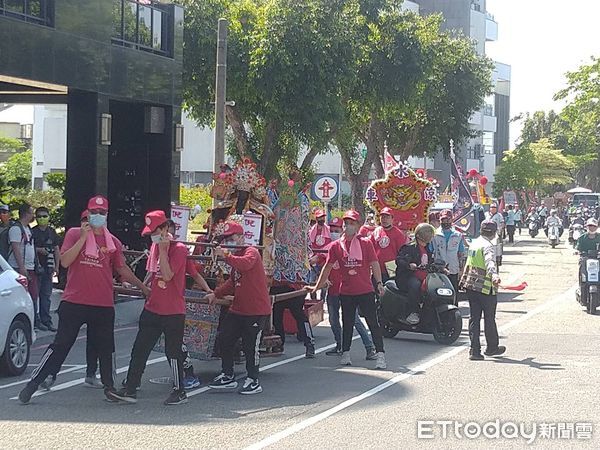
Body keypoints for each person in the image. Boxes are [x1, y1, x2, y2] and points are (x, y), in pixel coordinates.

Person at [19, 195, 149, 404]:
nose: (97, 216)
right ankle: (33, 384)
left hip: (103, 303)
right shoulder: (73, 233)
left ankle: (110, 386)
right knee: (61, 344)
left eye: (102, 213)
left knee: (106, 347)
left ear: (107, 215)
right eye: (94, 212)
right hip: (75, 301)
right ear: (88, 213)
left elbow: (121, 268)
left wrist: (143, 287)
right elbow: (66, 261)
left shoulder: (112, 241)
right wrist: (83, 238)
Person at [107, 210, 190, 405]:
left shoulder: (178, 249)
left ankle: (180, 390)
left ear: (164, 229)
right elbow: (153, 274)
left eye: (155, 231)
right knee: (140, 349)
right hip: (153, 306)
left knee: (173, 352)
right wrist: (143, 286)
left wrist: (163, 250)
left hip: (173, 310)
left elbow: (168, 276)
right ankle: (131, 386)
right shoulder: (154, 249)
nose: (152, 236)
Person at [308, 210, 386, 369]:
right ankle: (346, 353)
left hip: (365, 290)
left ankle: (380, 354)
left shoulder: (366, 243)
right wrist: (316, 286)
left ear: (358, 225)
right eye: (346, 223)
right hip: (347, 291)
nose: (348, 226)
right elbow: (327, 268)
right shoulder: (336, 246)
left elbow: (374, 263)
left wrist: (379, 283)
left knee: (373, 323)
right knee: (347, 323)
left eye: (352, 223)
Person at [206, 221, 271, 395]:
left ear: (242, 237)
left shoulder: (251, 252)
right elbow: (232, 283)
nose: (228, 242)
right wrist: (215, 293)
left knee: (251, 346)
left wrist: (226, 255)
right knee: (225, 339)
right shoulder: (236, 259)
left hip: (256, 311)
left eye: (231, 238)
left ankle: (253, 379)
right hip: (238, 310)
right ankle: (228, 374)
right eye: (226, 239)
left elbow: (245, 264)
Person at [324, 217, 376, 359]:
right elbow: (324, 267)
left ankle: (369, 347)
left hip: (352, 290)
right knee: (334, 319)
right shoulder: (332, 246)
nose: (336, 231)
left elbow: (372, 264)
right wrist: (320, 283)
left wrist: (378, 283)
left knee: (354, 321)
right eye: (332, 230)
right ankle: (340, 346)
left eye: (337, 229)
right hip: (334, 290)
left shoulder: (361, 244)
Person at [461, 220, 505, 361]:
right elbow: (490, 262)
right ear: (493, 232)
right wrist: (495, 275)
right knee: (489, 318)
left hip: (470, 285)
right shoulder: (488, 246)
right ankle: (492, 347)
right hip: (485, 288)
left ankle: (474, 350)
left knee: (474, 317)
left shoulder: (474, 243)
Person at [8, 204, 43, 330]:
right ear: (26, 214)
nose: (33, 215)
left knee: (34, 295)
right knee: (23, 296)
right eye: (31, 212)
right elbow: (16, 248)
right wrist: (21, 267)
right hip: (19, 268)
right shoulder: (16, 229)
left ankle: (34, 321)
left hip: (30, 267)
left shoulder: (27, 228)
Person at [395, 223, 435, 325]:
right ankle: (412, 312)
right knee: (415, 285)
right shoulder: (409, 247)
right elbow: (399, 260)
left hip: (424, 276)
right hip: (407, 277)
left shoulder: (428, 249)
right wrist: (409, 265)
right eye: (426, 233)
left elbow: (431, 262)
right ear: (420, 235)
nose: (429, 235)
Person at [31, 207, 60, 333]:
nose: (42, 218)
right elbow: (27, 248)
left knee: (46, 296)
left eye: (44, 216)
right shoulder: (32, 232)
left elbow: (56, 249)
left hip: (48, 268)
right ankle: (36, 321)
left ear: (48, 217)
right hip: (36, 268)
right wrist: (38, 250)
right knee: (35, 295)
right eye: (39, 216)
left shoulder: (52, 232)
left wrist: (57, 266)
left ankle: (46, 320)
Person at [431, 210, 465, 297]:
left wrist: (461, 269)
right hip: (439, 270)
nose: (446, 222)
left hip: (453, 269)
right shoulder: (434, 235)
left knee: (454, 293)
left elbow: (461, 253)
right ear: (440, 220)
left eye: (448, 220)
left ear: (452, 220)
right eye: (443, 220)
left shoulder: (458, 235)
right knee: (440, 294)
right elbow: (430, 252)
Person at [370, 207, 407, 282]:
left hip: (392, 266)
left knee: (391, 287)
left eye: (387, 217)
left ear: (392, 219)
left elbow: (402, 252)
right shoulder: (376, 231)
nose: (384, 219)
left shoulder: (398, 233)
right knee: (376, 287)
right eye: (382, 217)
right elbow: (370, 248)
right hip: (377, 266)